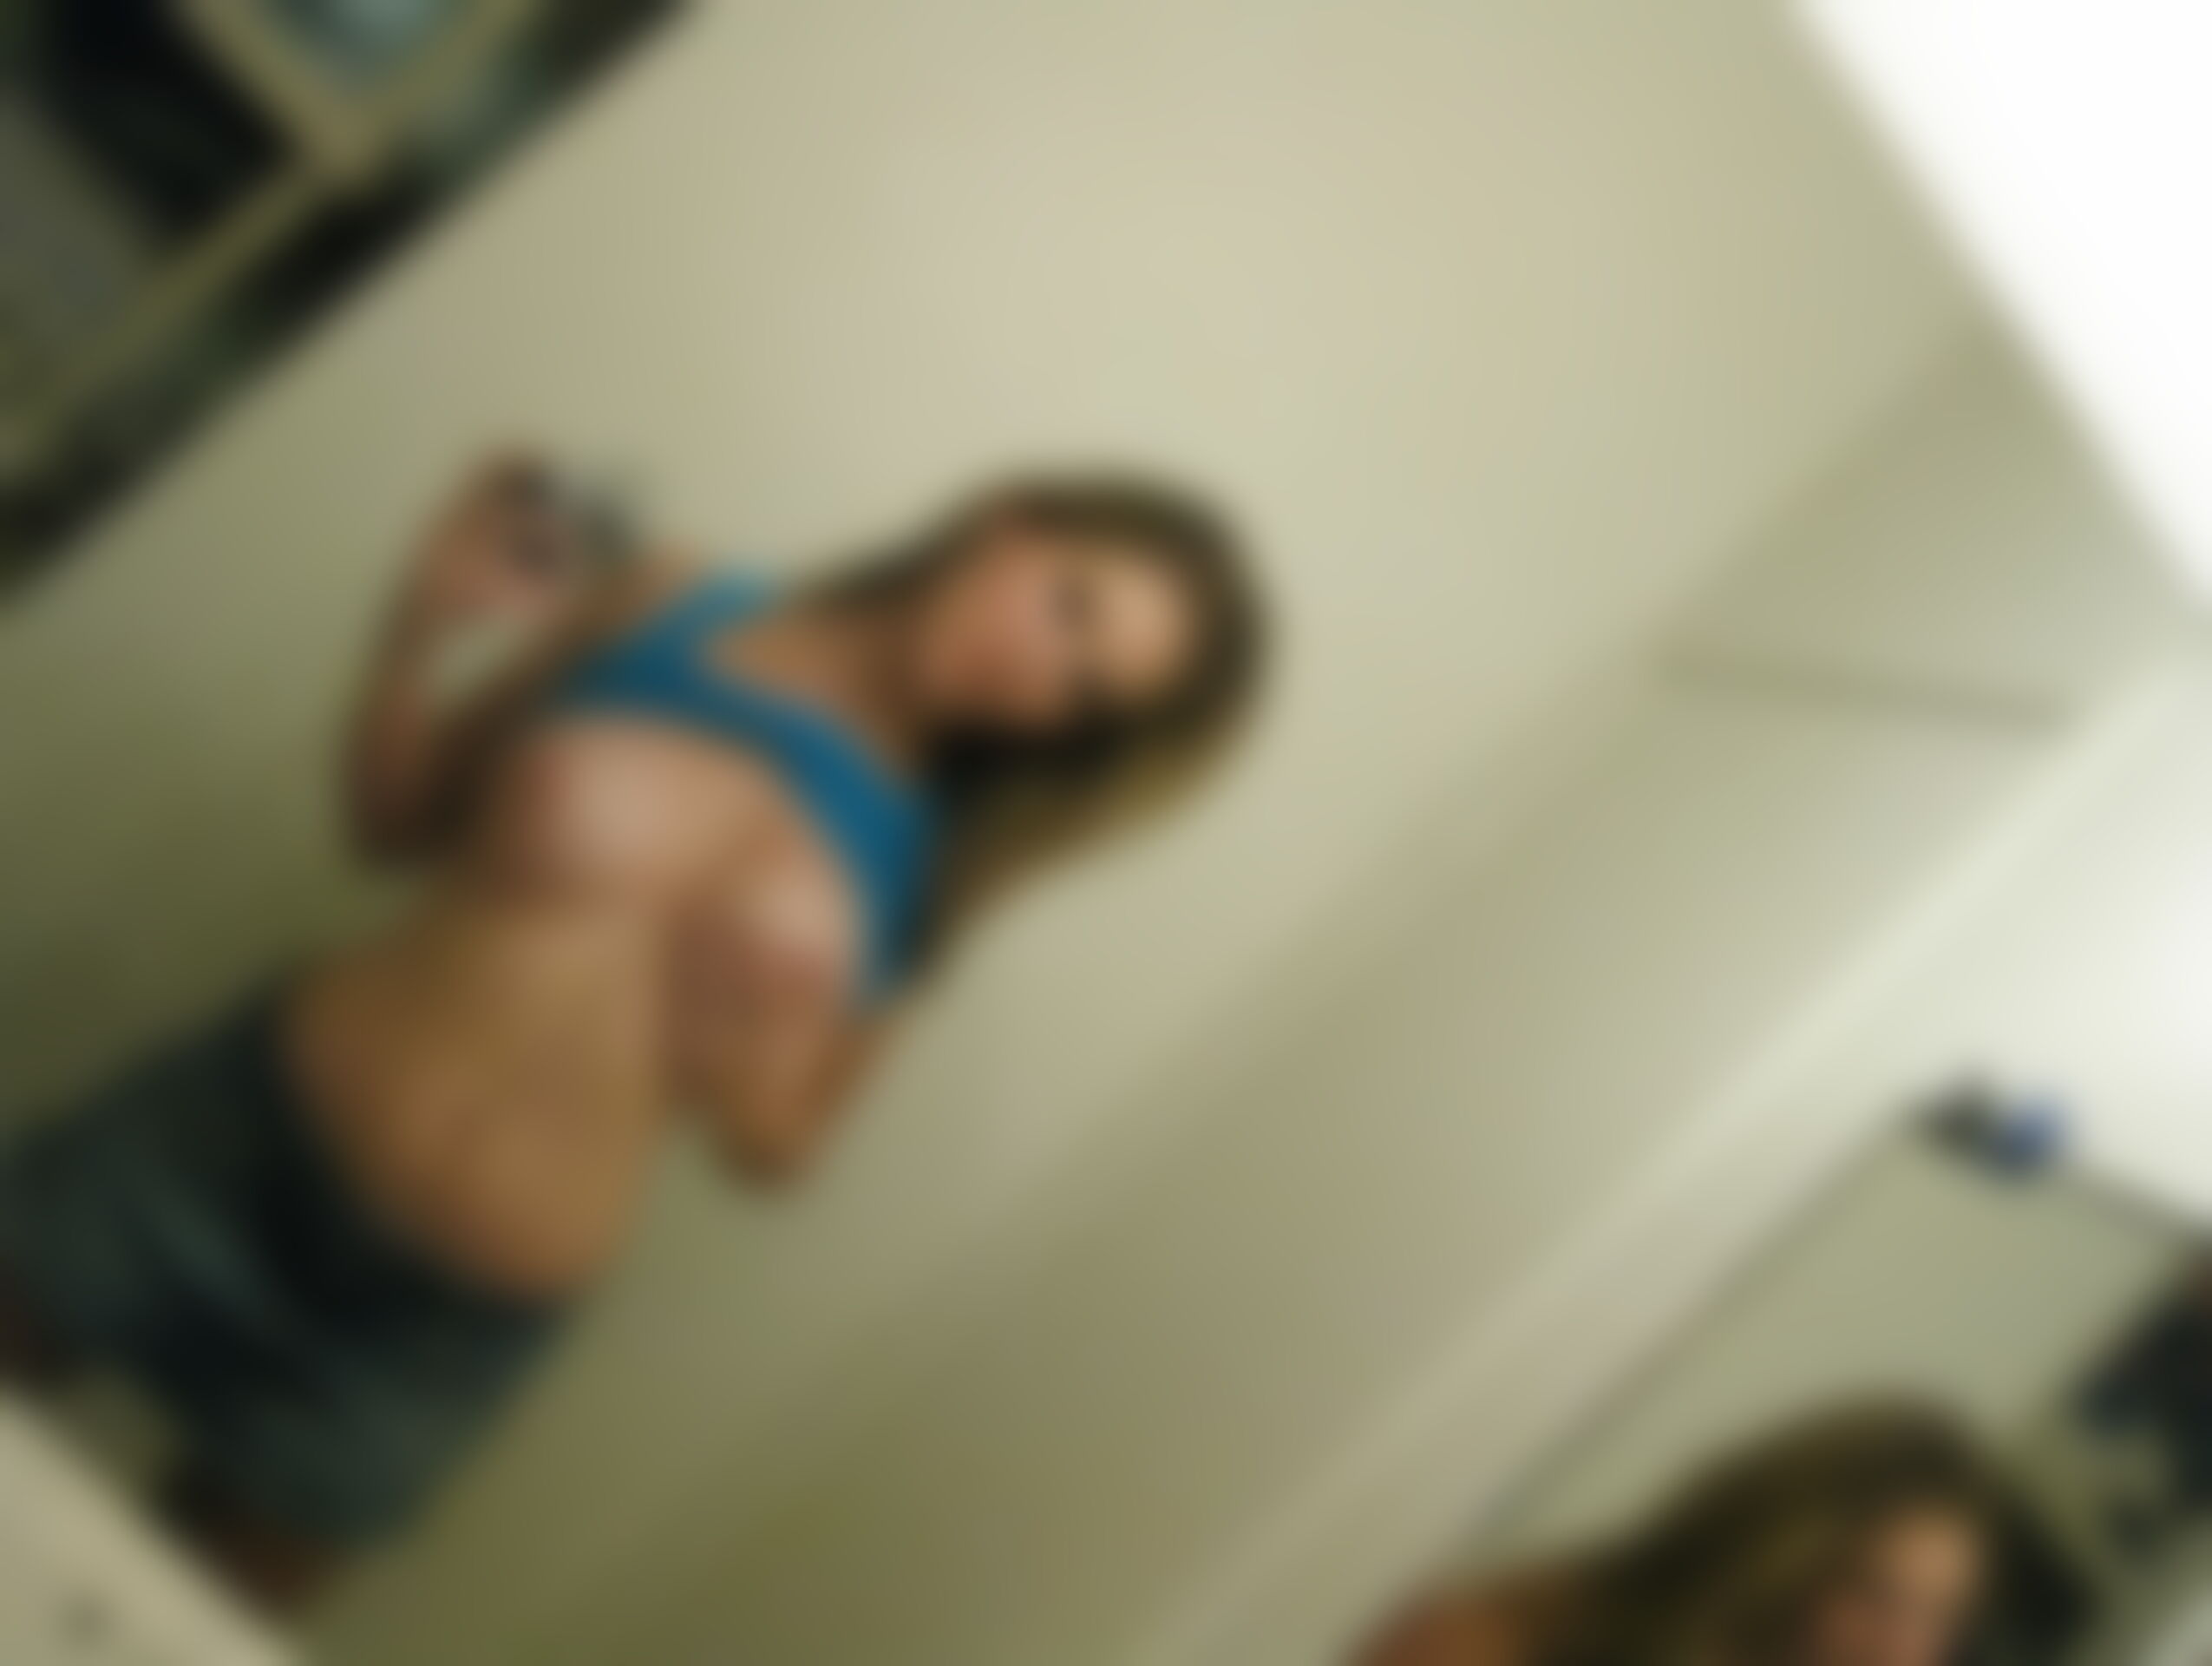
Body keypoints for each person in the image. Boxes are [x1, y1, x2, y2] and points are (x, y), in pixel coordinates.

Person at [0, 456, 1268, 1608]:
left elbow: (784, 1148)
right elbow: (392, 822)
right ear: (1008, 526)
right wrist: (417, 631)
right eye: (1069, 606)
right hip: (227, 1143)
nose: (1042, 673)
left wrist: (747, 1068)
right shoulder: (667, 602)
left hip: (430, 1338)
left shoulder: (936, 864)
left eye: (1088, 694)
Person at [1358, 1402, 2017, 1666]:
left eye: (1937, 1617)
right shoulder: (1509, 1635)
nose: (1896, 1654)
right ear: (1781, 1558)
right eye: (1874, 1595)